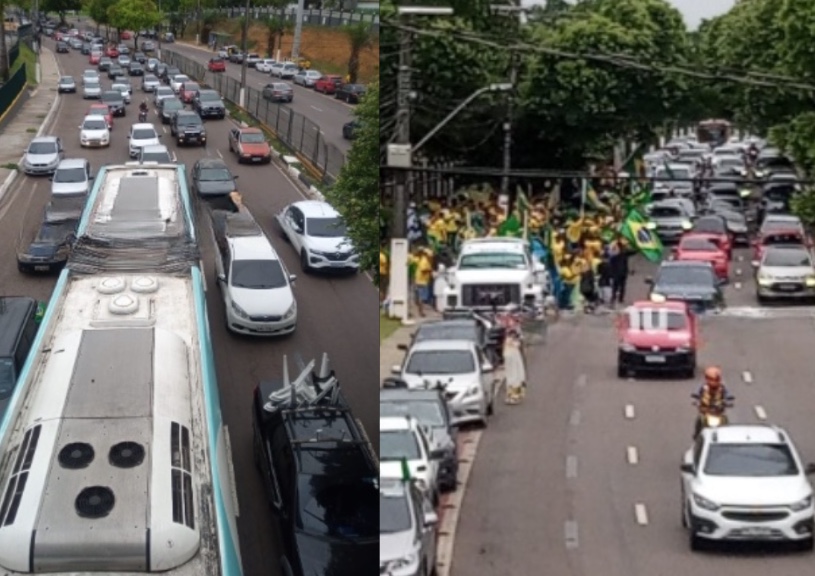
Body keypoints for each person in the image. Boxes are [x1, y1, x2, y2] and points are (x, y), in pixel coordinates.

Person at [692, 366, 734, 438]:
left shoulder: (722, 388)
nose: (713, 382)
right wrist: (697, 401)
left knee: (725, 420)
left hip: (718, 412)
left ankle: (727, 435)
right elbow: (697, 394)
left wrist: (727, 401)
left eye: (716, 379)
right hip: (706, 411)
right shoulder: (703, 388)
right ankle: (697, 435)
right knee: (699, 419)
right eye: (711, 379)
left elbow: (728, 395)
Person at [503, 329, 527, 405]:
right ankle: (513, 397)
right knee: (514, 379)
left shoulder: (508, 342)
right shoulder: (510, 342)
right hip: (513, 365)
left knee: (513, 378)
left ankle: (511, 397)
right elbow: (518, 345)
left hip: (513, 364)